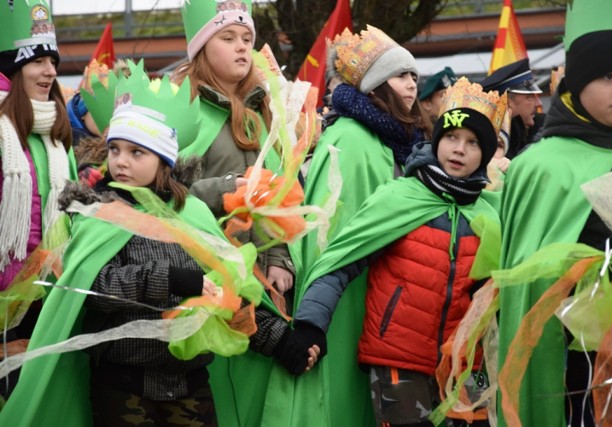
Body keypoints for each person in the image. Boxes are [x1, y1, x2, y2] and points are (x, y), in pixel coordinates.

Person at [0, 64, 319, 426]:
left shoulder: (192, 213)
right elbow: (92, 289)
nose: (121, 161)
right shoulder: (98, 212)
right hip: (123, 388)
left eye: (137, 152)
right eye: (115, 149)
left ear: (163, 161)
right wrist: (169, 279)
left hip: (190, 387)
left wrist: (280, 341)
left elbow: (228, 290)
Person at [279, 77, 505, 427]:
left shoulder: (489, 216)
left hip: (464, 367)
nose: (460, 149)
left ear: (486, 155)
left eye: (473, 143)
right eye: (452, 137)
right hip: (398, 362)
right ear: (437, 140)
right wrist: (310, 326)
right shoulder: (398, 198)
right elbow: (342, 261)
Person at [495, 1, 612, 425]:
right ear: (575, 84)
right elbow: (526, 285)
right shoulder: (539, 166)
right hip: (571, 361)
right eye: (608, 76)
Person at [283, 25, 431, 427]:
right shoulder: (352, 138)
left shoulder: (395, 139)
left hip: (390, 295)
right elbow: (338, 236)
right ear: (377, 85)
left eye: (415, 75)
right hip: (351, 293)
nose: (412, 84)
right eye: (401, 75)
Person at [173, 2, 300, 425]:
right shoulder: (184, 110)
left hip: (261, 273)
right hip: (205, 272)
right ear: (202, 48)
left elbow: (277, 192)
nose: (242, 48)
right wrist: (227, 189)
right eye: (227, 38)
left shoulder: (259, 107)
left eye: (247, 39)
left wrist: (279, 257)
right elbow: (165, 194)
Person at [0, 0, 76, 398]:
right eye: (37, 61)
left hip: (50, 295)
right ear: (12, 69)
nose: (49, 71)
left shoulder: (57, 138)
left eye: (53, 61)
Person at [480, 58, 543, 158]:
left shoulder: (541, 127)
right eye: (530, 98)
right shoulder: (490, 145)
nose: (539, 103)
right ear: (507, 104)